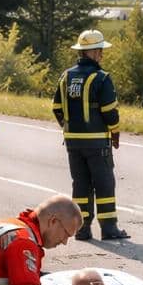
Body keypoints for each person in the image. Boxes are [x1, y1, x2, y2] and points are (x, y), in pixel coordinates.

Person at [52, 29, 129, 241]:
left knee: (81, 184)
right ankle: (109, 228)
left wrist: (69, 127)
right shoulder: (101, 78)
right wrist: (114, 132)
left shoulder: (66, 76)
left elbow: (57, 107)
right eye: (100, 51)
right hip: (97, 142)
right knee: (104, 183)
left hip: (73, 143)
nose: (101, 55)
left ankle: (82, 229)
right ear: (93, 52)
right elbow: (109, 111)